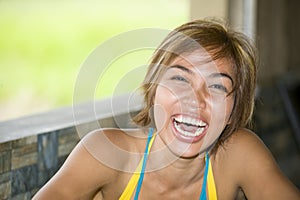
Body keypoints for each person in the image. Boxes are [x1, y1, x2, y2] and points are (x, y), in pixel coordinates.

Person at [33, 19, 300, 200]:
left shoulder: (238, 155)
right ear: (153, 92)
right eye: (180, 79)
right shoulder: (107, 154)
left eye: (217, 87)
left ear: (232, 112)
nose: (195, 100)